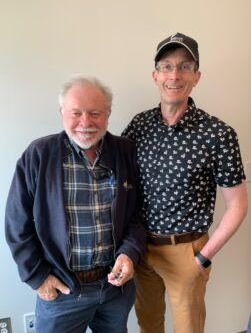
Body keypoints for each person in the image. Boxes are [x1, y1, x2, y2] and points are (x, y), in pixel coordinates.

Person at [122, 32, 248, 333]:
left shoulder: (218, 134)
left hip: (186, 252)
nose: (174, 75)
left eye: (184, 67)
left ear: (196, 76)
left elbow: (238, 205)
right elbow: (119, 178)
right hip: (141, 249)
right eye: (166, 66)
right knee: (148, 325)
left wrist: (203, 257)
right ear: (155, 75)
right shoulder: (139, 126)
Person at [5, 76, 146, 333]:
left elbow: (137, 214)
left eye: (95, 113)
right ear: (62, 113)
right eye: (76, 113)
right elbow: (16, 223)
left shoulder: (126, 152)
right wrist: (37, 276)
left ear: (108, 114)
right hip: (62, 291)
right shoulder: (39, 154)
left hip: (115, 289)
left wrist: (129, 253)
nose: (85, 122)